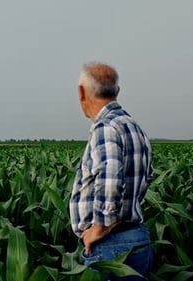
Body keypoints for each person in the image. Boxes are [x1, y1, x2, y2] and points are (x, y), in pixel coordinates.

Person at [69, 62, 153, 280]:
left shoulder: (105, 128)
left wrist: (99, 229)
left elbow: (110, 181)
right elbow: (147, 177)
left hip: (111, 247)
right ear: (117, 91)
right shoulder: (135, 127)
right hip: (138, 238)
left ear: (81, 92)